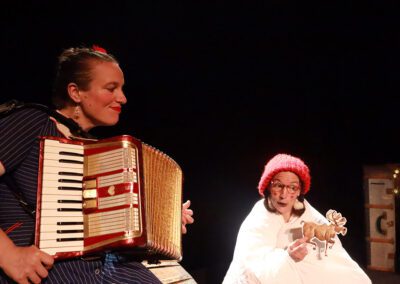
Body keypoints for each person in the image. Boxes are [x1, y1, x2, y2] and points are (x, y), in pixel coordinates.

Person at [0, 46, 194, 284]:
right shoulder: (32, 122)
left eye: (121, 89)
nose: (122, 98)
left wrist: (164, 222)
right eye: (111, 89)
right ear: (76, 92)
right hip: (48, 272)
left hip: (106, 270)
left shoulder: (96, 151)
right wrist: (8, 254)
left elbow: (111, 234)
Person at [223, 153, 371, 284]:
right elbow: (254, 265)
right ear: (268, 187)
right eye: (278, 186)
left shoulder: (305, 210)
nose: (284, 194)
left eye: (292, 187)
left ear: (299, 190)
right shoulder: (258, 218)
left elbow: (331, 250)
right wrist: (287, 256)